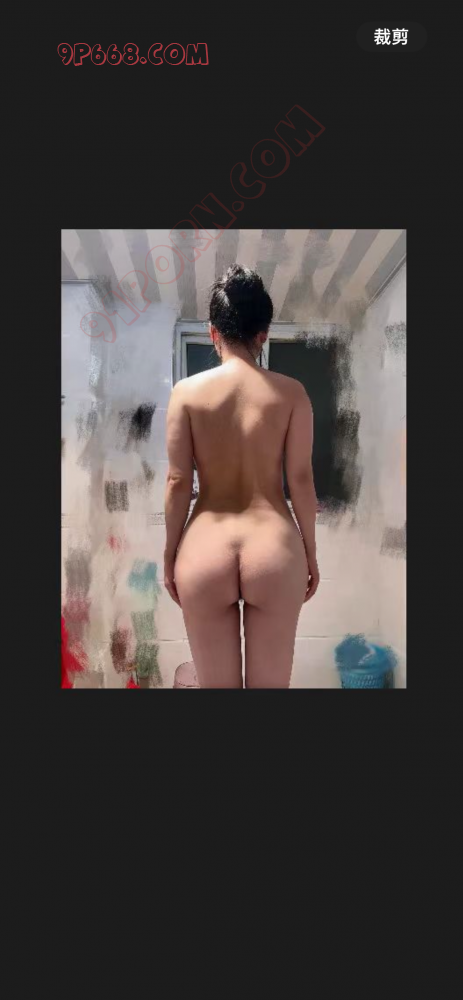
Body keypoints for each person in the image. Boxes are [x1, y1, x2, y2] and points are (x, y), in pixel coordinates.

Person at [164, 264, 319, 689]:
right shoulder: (292, 393)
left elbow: (178, 481)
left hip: (204, 548)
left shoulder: (185, 394)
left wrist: (170, 554)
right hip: (274, 548)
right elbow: (301, 481)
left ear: (213, 332)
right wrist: (310, 554)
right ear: (263, 334)